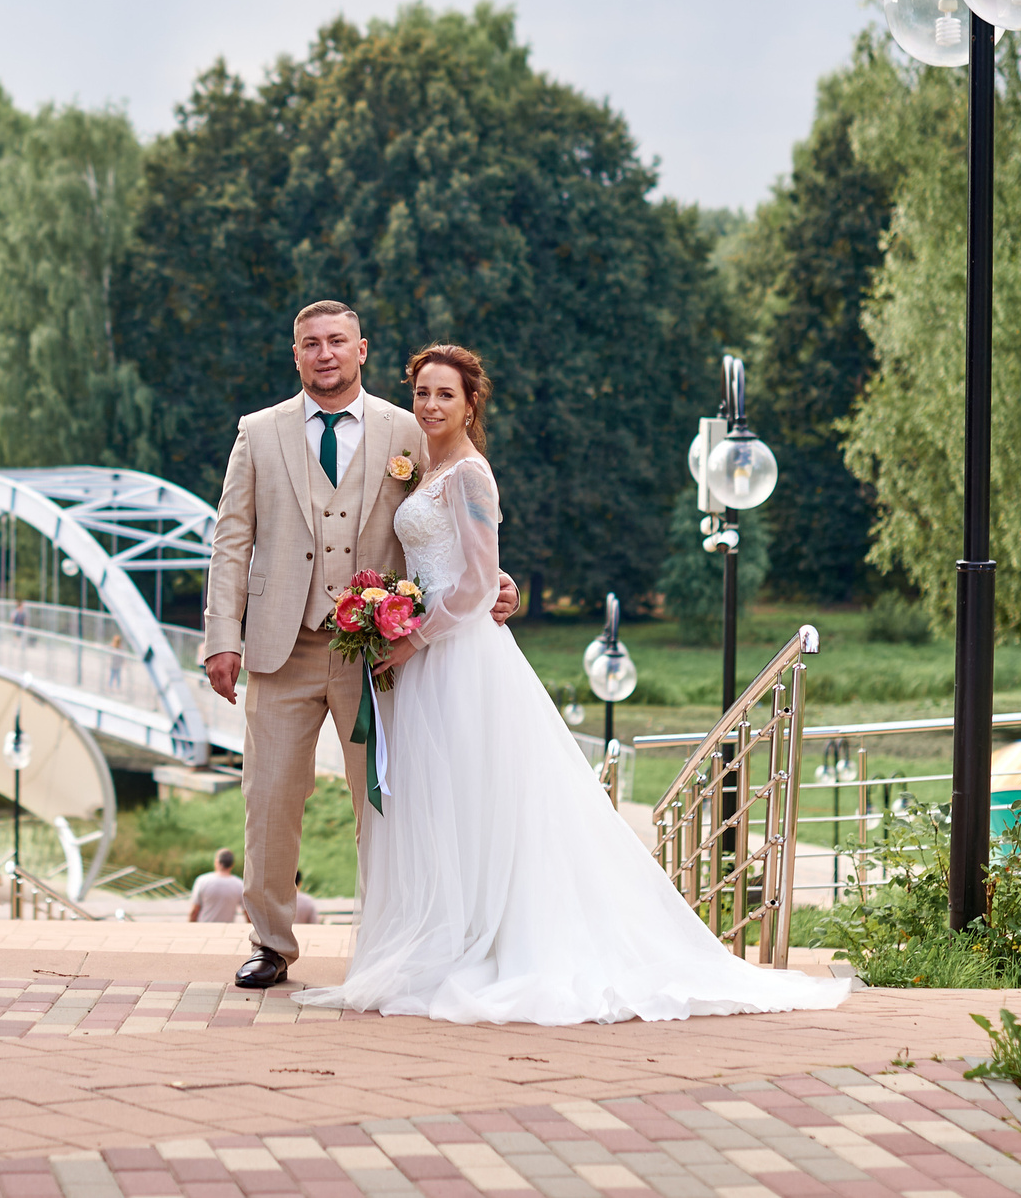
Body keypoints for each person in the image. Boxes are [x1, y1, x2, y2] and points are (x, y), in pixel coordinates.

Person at [289, 344, 851, 1025]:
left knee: (477, 798)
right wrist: (394, 613)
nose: (430, 405)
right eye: (422, 393)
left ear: (471, 403)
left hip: (459, 658)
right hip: (426, 657)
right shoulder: (425, 467)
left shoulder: (470, 474)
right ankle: (447, 940)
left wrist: (411, 638)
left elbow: (478, 582)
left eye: (445, 394)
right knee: (441, 803)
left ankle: (489, 943)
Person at [201, 301, 519, 990]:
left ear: (362, 349)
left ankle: (387, 942)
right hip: (280, 647)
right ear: (296, 354)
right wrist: (222, 635)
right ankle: (270, 943)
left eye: (337, 341)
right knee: (270, 800)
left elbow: (455, 513)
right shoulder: (258, 432)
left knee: (383, 806)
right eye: (311, 343)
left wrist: (498, 581)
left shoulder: (410, 426)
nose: (325, 353)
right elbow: (231, 539)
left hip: (375, 653)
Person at [186, 849, 246, 923]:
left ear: (217, 862)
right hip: (225, 928)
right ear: (232, 864)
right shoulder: (239, 884)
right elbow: (248, 913)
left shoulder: (202, 881)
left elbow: (194, 911)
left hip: (205, 927)